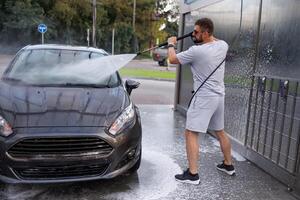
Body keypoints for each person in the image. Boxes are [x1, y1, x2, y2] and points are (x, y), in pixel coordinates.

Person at [167, 18, 235, 185]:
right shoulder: (222, 45)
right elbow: (214, 38)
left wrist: (171, 44)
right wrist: (202, 33)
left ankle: (192, 174)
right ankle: (228, 165)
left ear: (206, 33)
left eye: (197, 32)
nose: (193, 34)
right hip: (219, 97)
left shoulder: (197, 51)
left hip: (204, 98)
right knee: (220, 131)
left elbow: (172, 59)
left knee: (191, 133)